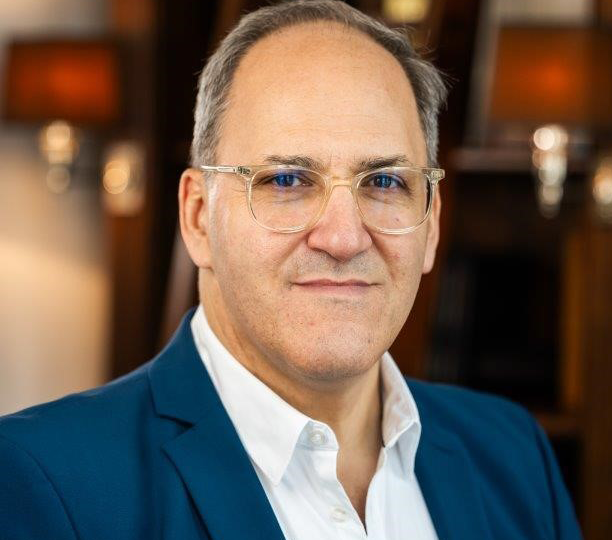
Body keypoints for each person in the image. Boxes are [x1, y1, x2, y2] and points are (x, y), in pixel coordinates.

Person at [0, 1, 581, 539]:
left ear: (430, 225)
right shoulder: (45, 482)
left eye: (384, 182)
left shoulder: (512, 454)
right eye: (287, 181)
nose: (343, 238)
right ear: (198, 217)